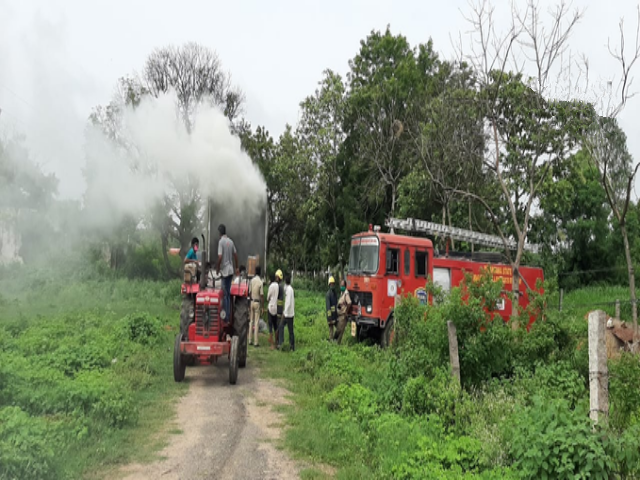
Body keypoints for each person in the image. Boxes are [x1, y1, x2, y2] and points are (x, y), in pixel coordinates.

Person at [215, 224, 238, 324]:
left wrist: (217, 267)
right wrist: (236, 267)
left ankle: (225, 317)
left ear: (220, 233)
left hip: (224, 271)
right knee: (228, 294)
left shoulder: (221, 242)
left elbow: (220, 257)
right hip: (231, 270)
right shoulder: (231, 241)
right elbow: (235, 255)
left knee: (224, 295)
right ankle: (228, 316)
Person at [249, 266, 264, 347]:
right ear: (260, 272)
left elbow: (249, 292)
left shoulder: (252, 281)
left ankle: (250, 340)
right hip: (257, 303)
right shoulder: (260, 282)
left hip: (251, 301)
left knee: (251, 321)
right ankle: (256, 342)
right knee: (256, 322)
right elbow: (261, 295)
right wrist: (262, 306)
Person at [278, 275, 295, 351]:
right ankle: (292, 347)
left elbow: (287, 302)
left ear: (285, 281)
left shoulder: (288, 290)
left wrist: (284, 313)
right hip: (291, 313)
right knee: (291, 331)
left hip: (287, 314)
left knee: (281, 326)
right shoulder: (290, 289)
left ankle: (281, 343)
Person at [334, 279, 352, 344]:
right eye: (341, 285)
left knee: (340, 330)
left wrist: (346, 311)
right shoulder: (342, 293)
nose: (342, 287)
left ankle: (337, 344)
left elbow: (349, 303)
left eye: (343, 285)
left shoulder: (346, 294)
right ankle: (336, 343)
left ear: (345, 286)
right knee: (338, 330)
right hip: (339, 314)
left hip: (343, 316)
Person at [267, 272, 281, 349]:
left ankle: (271, 344)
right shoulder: (278, 286)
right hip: (276, 307)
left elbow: (268, 297)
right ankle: (276, 342)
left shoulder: (271, 286)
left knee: (270, 326)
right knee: (276, 326)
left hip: (270, 306)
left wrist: (268, 299)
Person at [326, 276, 338, 341]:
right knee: (331, 331)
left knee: (338, 329)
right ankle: (331, 342)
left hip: (335, 316)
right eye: (331, 284)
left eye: (333, 284)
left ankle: (336, 340)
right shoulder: (328, 294)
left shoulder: (335, 293)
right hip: (330, 317)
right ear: (329, 285)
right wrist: (329, 318)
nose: (332, 285)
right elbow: (328, 307)